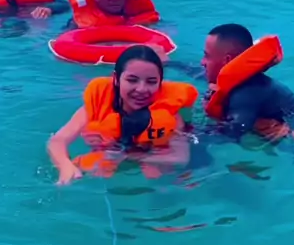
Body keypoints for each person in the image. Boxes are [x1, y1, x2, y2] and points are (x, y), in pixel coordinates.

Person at [47, 44, 198, 185]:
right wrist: (65, 166)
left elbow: (180, 158)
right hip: (108, 167)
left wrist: (127, 156)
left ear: (160, 83)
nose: (141, 89)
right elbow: (58, 141)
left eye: (151, 82)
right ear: (116, 79)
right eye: (132, 80)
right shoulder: (99, 104)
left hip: (152, 175)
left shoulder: (170, 114)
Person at [200, 23, 294, 142]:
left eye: (207, 56)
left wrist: (187, 132)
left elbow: (231, 133)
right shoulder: (235, 82)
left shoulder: (245, 94)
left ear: (227, 60)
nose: (202, 62)